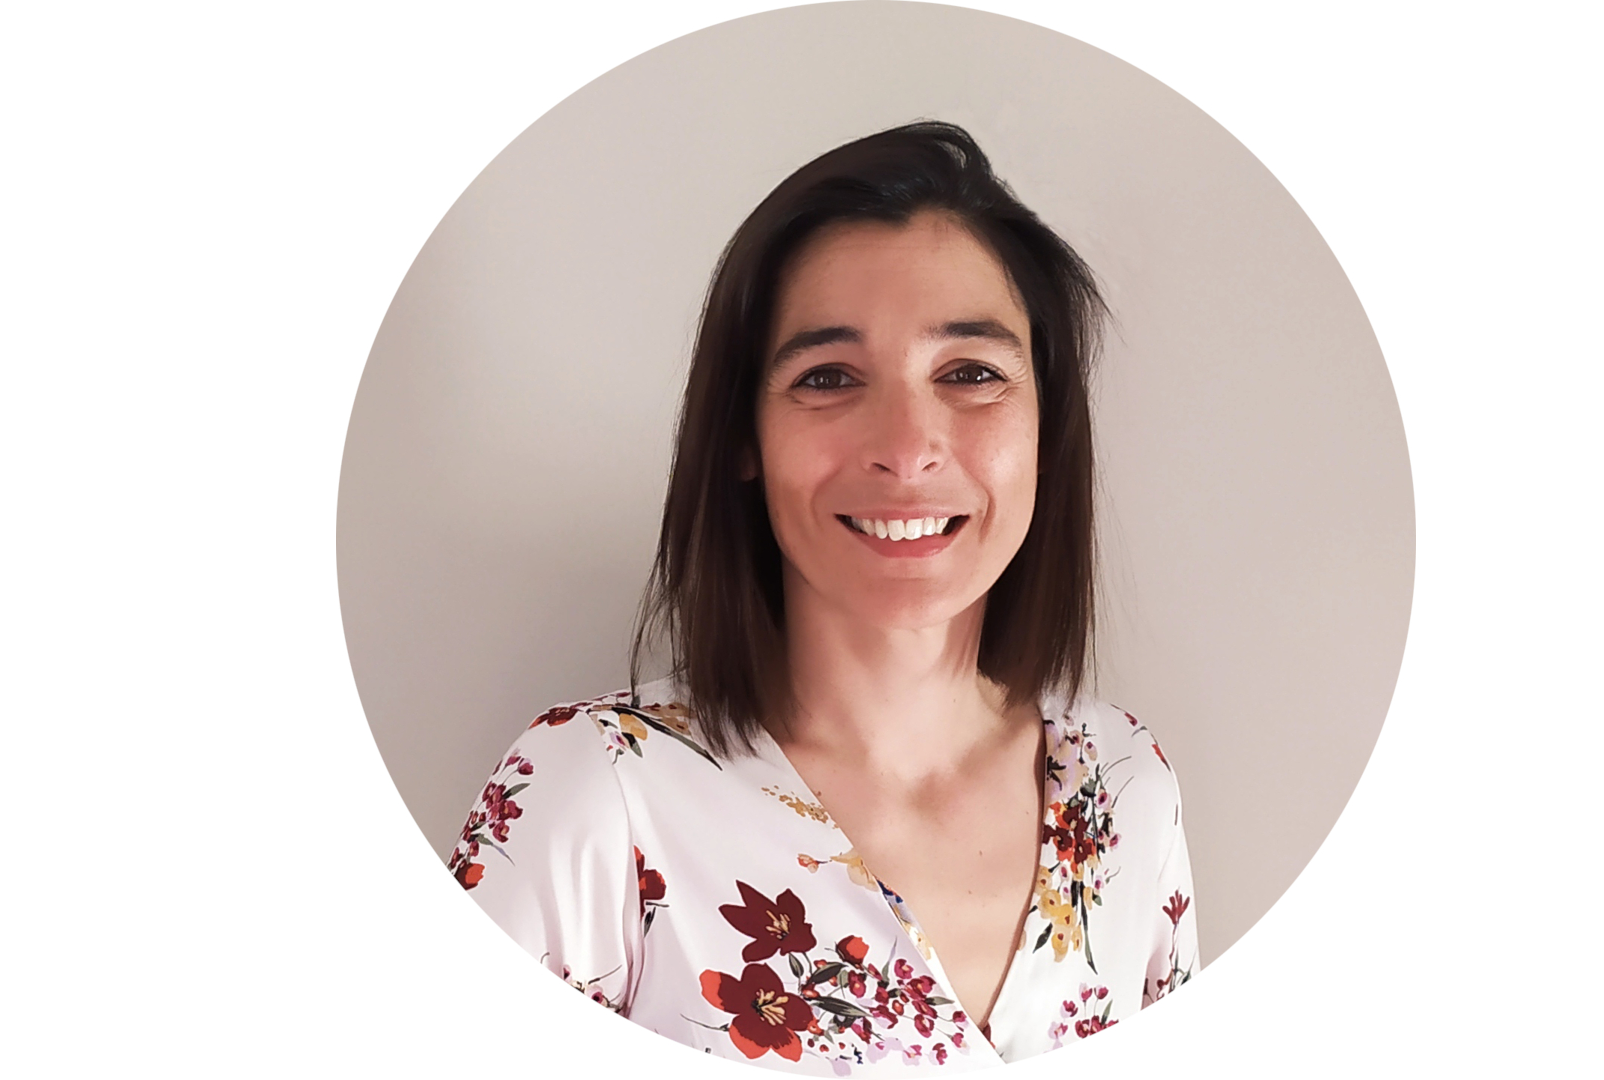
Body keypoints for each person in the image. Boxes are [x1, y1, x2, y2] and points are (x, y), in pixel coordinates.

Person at [449, 121, 1196, 1072]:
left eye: (971, 373)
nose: (907, 443)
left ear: (1047, 427)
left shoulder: (1127, 789)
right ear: (743, 439)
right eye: (829, 377)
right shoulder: (596, 796)